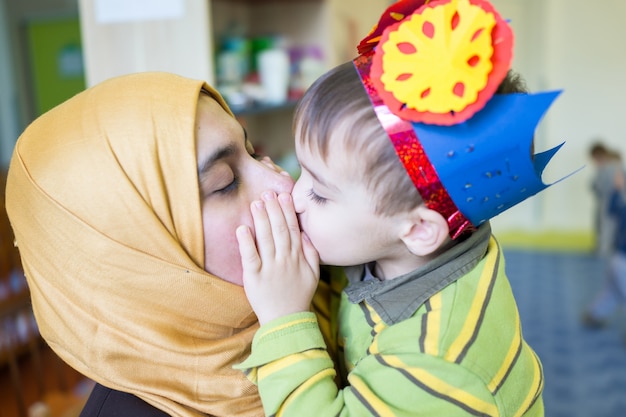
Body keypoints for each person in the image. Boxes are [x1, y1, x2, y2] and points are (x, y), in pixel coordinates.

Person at [234, 0, 573, 415]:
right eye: (301, 172)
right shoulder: (402, 245)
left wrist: (282, 316)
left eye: (321, 193)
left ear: (418, 230)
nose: (293, 195)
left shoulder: (437, 359)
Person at [5, 72, 294, 417]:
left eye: (253, 153)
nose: (283, 182)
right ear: (138, 259)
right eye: (225, 182)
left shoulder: (311, 300)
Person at [582, 168, 626, 329]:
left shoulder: (623, 205)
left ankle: (594, 315)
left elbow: (612, 209)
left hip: (617, 260)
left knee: (612, 293)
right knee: (614, 292)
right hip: (623, 262)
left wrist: (617, 189)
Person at [589, 141, 622, 257]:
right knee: (605, 226)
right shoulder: (606, 167)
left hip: (611, 201)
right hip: (608, 201)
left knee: (607, 227)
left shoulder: (611, 167)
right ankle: (604, 250)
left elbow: (612, 185)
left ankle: (604, 252)